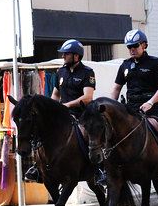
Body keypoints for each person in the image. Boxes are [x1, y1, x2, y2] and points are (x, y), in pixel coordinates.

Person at [24, 39, 107, 186]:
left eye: (66, 54)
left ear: (76, 56)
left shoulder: (87, 72)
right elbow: (56, 94)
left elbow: (88, 97)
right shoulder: (60, 72)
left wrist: (67, 105)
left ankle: (99, 169)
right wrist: (50, 108)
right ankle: (37, 167)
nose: (63, 57)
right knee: (43, 133)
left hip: (82, 113)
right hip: (63, 114)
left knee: (91, 135)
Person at [110, 29, 158, 183]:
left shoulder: (155, 63)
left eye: (135, 46)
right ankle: (111, 169)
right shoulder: (125, 65)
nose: (131, 49)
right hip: (131, 108)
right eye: (129, 47)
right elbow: (117, 88)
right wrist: (112, 107)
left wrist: (150, 102)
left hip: (153, 108)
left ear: (144, 45)